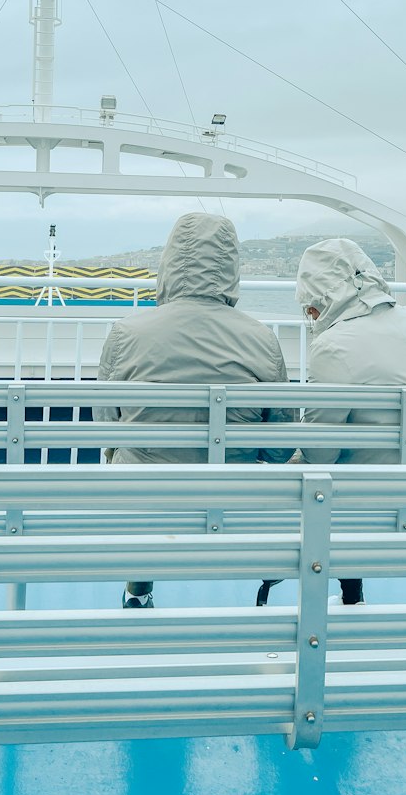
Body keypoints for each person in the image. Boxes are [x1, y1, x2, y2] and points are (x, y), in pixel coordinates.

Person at [96, 211, 290, 608]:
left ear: (167, 264)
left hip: (143, 496)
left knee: (130, 461)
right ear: (231, 267)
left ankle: (138, 590)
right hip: (234, 497)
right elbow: (278, 447)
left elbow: (107, 428)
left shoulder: (126, 333)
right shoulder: (262, 339)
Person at [257, 237, 406, 609]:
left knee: (313, 478)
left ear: (319, 301)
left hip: (373, 505)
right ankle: (351, 593)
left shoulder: (334, 345)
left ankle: (347, 594)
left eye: (309, 310)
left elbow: (321, 451)